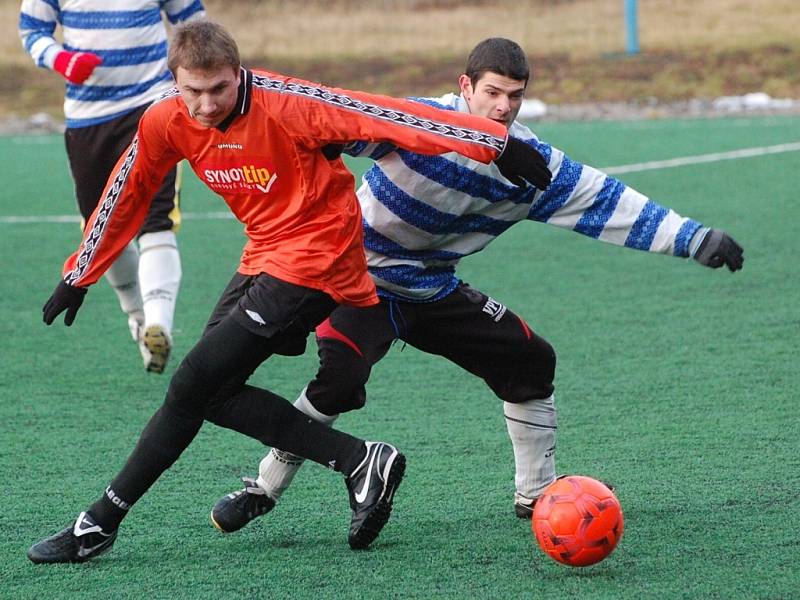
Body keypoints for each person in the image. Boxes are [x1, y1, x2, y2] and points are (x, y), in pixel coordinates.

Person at [26, 23, 552, 564]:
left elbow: (388, 115)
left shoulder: (289, 104)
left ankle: (98, 523)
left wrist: (492, 141)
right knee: (209, 393)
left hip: (321, 260)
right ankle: (358, 460)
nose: (206, 105)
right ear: (174, 82)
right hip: (265, 257)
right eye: (193, 92)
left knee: (190, 385)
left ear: (239, 75)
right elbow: (128, 187)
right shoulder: (167, 118)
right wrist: (79, 273)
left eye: (219, 90)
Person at [208, 37, 745, 534]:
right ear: (465, 88)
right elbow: (331, 118)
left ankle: (535, 495)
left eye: (514, 96)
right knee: (339, 379)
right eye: (491, 92)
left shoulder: (531, 166)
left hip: (431, 289)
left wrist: (695, 238)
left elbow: (608, 202)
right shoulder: (421, 123)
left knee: (530, 359)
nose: (503, 106)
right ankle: (264, 488)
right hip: (357, 280)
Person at [18, 0, 206, 373]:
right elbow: (32, 31)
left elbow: (194, 25)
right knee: (101, 227)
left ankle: (158, 322)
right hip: (89, 118)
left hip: (153, 106)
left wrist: (185, 78)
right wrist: (61, 61)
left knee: (157, 218)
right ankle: (139, 321)